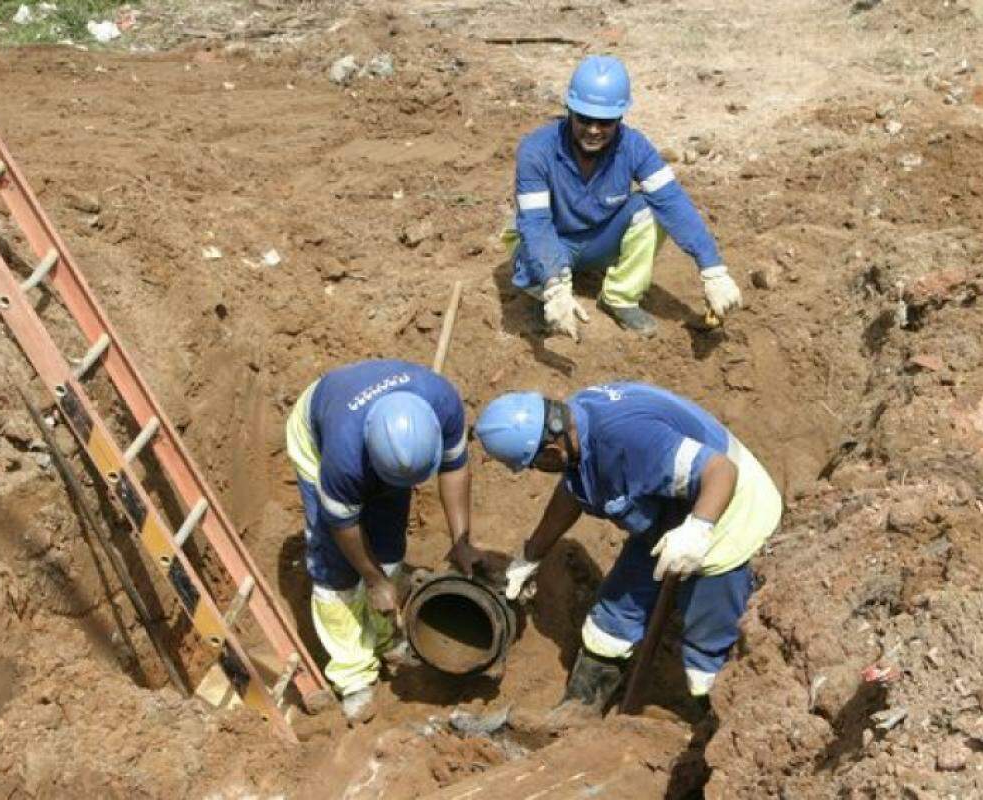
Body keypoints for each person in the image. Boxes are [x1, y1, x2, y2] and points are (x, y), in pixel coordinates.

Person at [473, 382, 781, 715]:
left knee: (707, 646)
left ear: (551, 453)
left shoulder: (628, 438)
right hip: (667, 510)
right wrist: (530, 555)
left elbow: (720, 470)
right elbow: (574, 490)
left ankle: (708, 724)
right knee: (613, 617)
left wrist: (697, 530)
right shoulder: (574, 428)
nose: (537, 472)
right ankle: (580, 708)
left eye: (534, 465)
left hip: (726, 511)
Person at [286, 359, 482, 722]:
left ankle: (384, 637)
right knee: (337, 571)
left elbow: (455, 468)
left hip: (380, 448)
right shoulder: (342, 459)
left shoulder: (442, 404)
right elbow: (342, 524)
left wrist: (462, 540)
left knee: (388, 546)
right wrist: (373, 579)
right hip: (315, 435)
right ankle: (352, 673)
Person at [503, 54, 742, 340]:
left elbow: (673, 202)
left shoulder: (634, 147)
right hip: (552, 239)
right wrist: (554, 285)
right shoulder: (536, 150)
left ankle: (620, 297)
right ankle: (550, 296)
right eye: (584, 119)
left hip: (600, 240)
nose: (593, 130)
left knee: (652, 208)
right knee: (528, 258)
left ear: (620, 117)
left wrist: (713, 270)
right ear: (569, 110)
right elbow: (537, 224)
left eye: (605, 122)